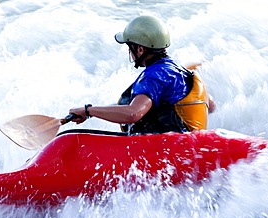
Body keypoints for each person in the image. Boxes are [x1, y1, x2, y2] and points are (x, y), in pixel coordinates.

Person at [68, 15, 215, 136]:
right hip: (188, 147)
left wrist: (88, 110)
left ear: (139, 49)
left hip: (164, 152)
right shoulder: (178, 71)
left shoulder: (153, 76)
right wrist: (93, 113)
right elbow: (211, 106)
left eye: (129, 47)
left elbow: (133, 113)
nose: (129, 52)